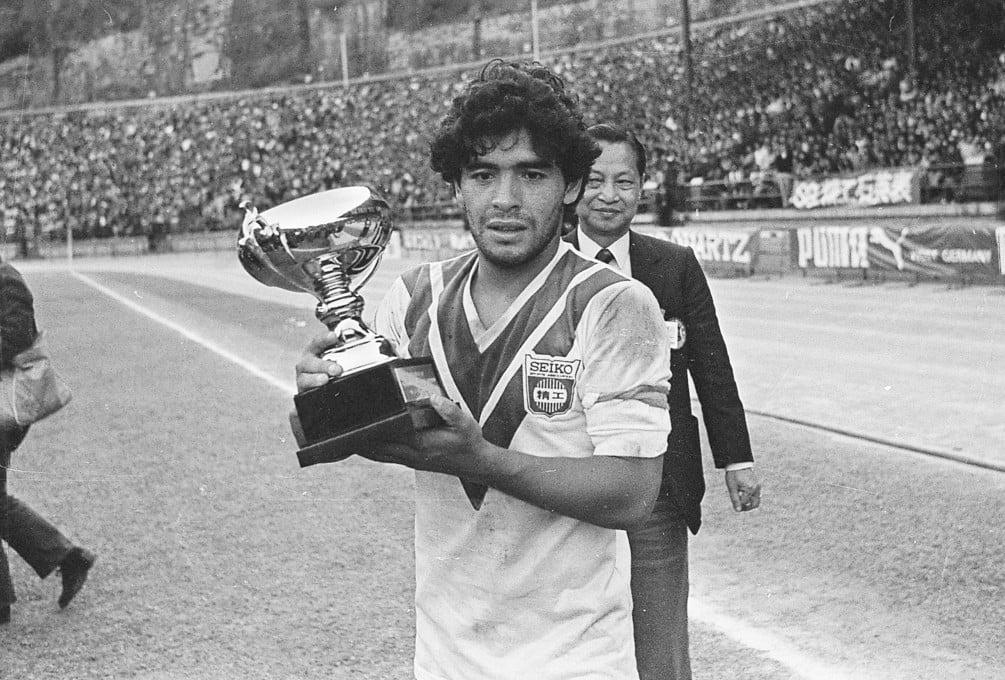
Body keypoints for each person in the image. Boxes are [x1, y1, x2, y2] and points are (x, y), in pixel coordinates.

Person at [296, 60, 672, 679]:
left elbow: (632, 492)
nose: (505, 199)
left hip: (574, 661)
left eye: (532, 173)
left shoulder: (614, 304)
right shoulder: (413, 297)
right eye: (483, 173)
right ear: (456, 187)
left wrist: (480, 460)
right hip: (446, 659)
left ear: (571, 186)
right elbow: (320, 435)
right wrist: (320, 395)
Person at [566, 123, 762, 680]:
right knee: (571, 643)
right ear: (574, 187)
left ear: (643, 187)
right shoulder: (545, 265)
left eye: (624, 181)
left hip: (655, 484)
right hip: (564, 480)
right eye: (596, 180)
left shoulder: (674, 265)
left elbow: (712, 368)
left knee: (659, 648)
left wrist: (737, 460)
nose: (609, 194)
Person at [1, 262, 96, 626]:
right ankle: (67, 558)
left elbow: (17, 337)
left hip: (5, 401)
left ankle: (65, 558)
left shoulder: (5, 279)